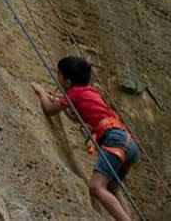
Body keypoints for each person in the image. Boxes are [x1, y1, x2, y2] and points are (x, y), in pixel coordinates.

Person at [31, 56, 141, 221]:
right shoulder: (89, 91)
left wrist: (41, 92)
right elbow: (76, 116)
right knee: (112, 188)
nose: (57, 78)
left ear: (67, 81)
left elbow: (48, 109)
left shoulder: (74, 93)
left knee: (96, 187)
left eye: (59, 75)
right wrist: (59, 102)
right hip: (128, 142)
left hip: (115, 140)